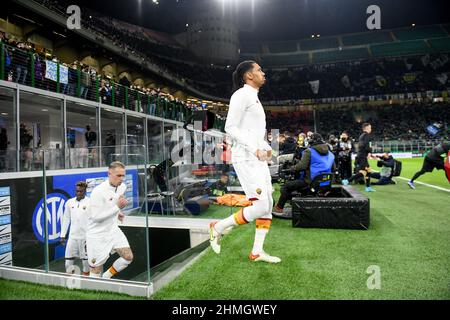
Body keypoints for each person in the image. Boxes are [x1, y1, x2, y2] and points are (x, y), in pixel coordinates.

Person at [209, 60, 280, 263]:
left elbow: (255, 134)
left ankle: (257, 251)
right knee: (260, 205)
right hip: (246, 158)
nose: (263, 72)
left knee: (268, 205)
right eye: (259, 69)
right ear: (249, 75)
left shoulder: (254, 98)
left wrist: (267, 150)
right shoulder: (241, 95)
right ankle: (218, 227)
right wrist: (254, 148)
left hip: (256, 158)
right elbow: (230, 127)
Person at [86, 161, 133, 278]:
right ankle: (92, 292)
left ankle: (106, 277)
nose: (122, 178)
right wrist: (117, 207)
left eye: (123, 175)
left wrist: (118, 213)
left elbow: (114, 203)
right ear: (109, 173)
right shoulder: (98, 192)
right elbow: (96, 217)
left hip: (112, 230)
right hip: (97, 234)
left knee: (128, 257)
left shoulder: (122, 187)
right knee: (96, 269)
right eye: (119, 175)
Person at [273, 133, 335, 212]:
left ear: (312, 141)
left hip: (310, 182)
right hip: (325, 182)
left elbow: (302, 166)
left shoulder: (309, 151)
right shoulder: (331, 154)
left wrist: (292, 168)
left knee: (286, 186)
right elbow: (334, 168)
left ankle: (279, 207)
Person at [60, 181, 90, 276]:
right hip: (72, 238)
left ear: (85, 191)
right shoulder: (69, 202)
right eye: (77, 191)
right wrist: (63, 235)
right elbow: (66, 219)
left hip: (85, 238)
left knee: (86, 264)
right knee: (68, 263)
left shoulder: (90, 202)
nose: (79, 193)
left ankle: (85, 283)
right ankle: (71, 282)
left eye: (81, 191)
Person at [342, 123, 376, 192]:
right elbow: (366, 146)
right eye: (370, 128)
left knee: (367, 171)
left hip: (361, 156)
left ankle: (368, 187)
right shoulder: (366, 135)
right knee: (364, 172)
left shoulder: (361, 136)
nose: (371, 129)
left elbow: (362, 146)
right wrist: (370, 151)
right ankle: (347, 180)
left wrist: (369, 153)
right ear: (366, 128)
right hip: (362, 156)